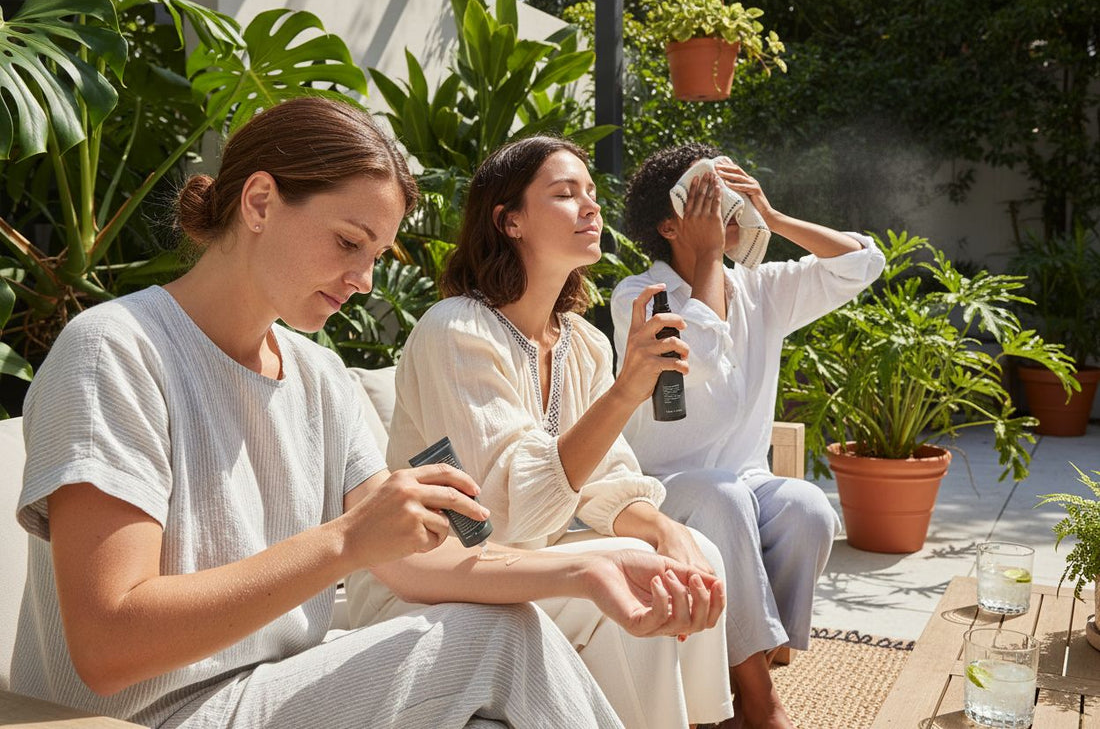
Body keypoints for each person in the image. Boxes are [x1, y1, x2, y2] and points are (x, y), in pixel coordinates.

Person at [11, 98, 725, 729]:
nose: (364, 279)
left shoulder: (320, 377)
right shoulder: (115, 352)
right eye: (349, 242)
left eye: (378, 254)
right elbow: (107, 647)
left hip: (271, 689)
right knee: (498, 642)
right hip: (134, 714)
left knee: (504, 650)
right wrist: (347, 540)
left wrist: (584, 568)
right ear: (258, 203)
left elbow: (430, 564)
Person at [347, 135, 735, 729]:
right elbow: (500, 513)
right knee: (638, 568)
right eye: (564, 193)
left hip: (529, 560)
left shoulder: (584, 343)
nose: (590, 207)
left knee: (689, 552)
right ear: (510, 221)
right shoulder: (457, 331)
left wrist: (665, 529)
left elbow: (608, 483)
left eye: (592, 193)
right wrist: (627, 391)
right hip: (438, 577)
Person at [610, 143, 886, 728]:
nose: (728, 209)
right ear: (669, 223)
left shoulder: (759, 288)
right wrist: (709, 255)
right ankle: (759, 704)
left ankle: (749, 670)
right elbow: (701, 348)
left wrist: (777, 218)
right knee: (722, 497)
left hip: (745, 481)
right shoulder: (638, 295)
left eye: (729, 195)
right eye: (709, 198)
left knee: (809, 508)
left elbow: (864, 262)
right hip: (660, 487)